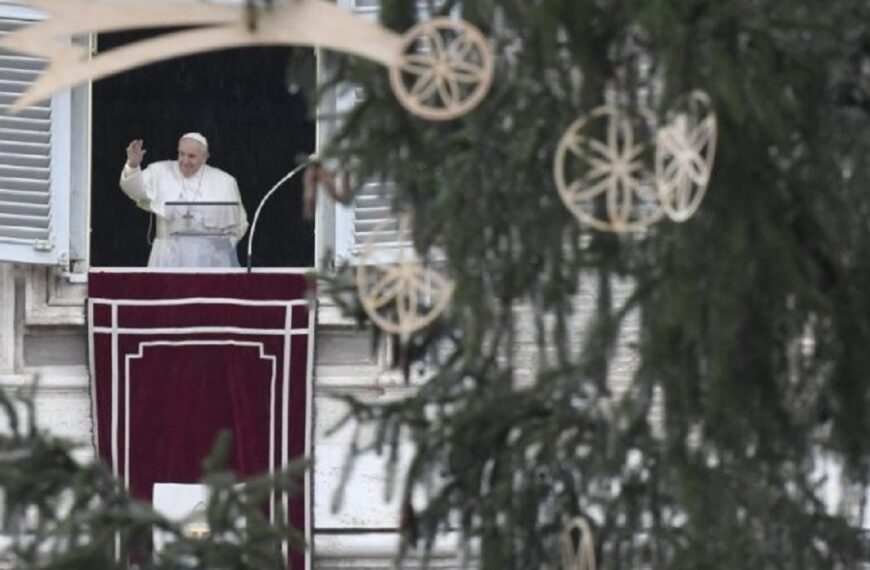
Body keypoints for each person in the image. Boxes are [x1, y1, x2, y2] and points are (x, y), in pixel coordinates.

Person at [119, 133, 248, 267]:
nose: (185, 161)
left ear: (205, 157)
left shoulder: (224, 181)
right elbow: (134, 190)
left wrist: (227, 242)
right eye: (182, 154)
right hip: (168, 255)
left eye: (191, 156)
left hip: (209, 257)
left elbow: (240, 223)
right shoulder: (160, 171)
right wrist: (133, 165)